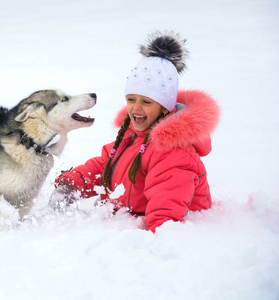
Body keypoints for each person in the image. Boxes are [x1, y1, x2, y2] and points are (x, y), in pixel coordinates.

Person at [49, 31, 220, 233]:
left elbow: (167, 217)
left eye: (146, 102)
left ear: (164, 107)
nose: (136, 108)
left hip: (176, 230)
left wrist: (154, 241)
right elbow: (106, 164)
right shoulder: (133, 135)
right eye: (131, 99)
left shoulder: (174, 153)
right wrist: (72, 183)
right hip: (130, 218)